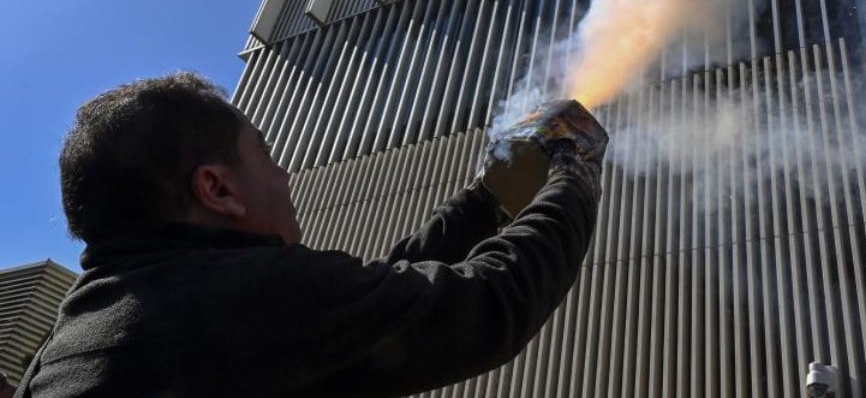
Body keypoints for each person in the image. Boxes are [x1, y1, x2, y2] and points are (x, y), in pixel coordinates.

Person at [17, 72, 606, 397]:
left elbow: (366, 303)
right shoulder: (236, 299)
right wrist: (573, 169)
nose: (284, 174)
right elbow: (489, 302)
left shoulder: (74, 337)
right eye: (266, 156)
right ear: (216, 189)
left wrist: (484, 201)